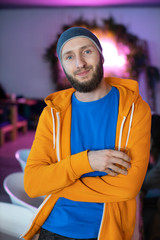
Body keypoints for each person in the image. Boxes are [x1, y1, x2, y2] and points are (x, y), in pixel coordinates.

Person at [22, 27, 151, 240]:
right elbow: (33, 183)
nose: (80, 63)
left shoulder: (135, 109)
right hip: (56, 228)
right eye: (69, 56)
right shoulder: (52, 114)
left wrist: (58, 183)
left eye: (87, 52)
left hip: (107, 230)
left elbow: (128, 187)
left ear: (101, 56)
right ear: (62, 65)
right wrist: (87, 162)